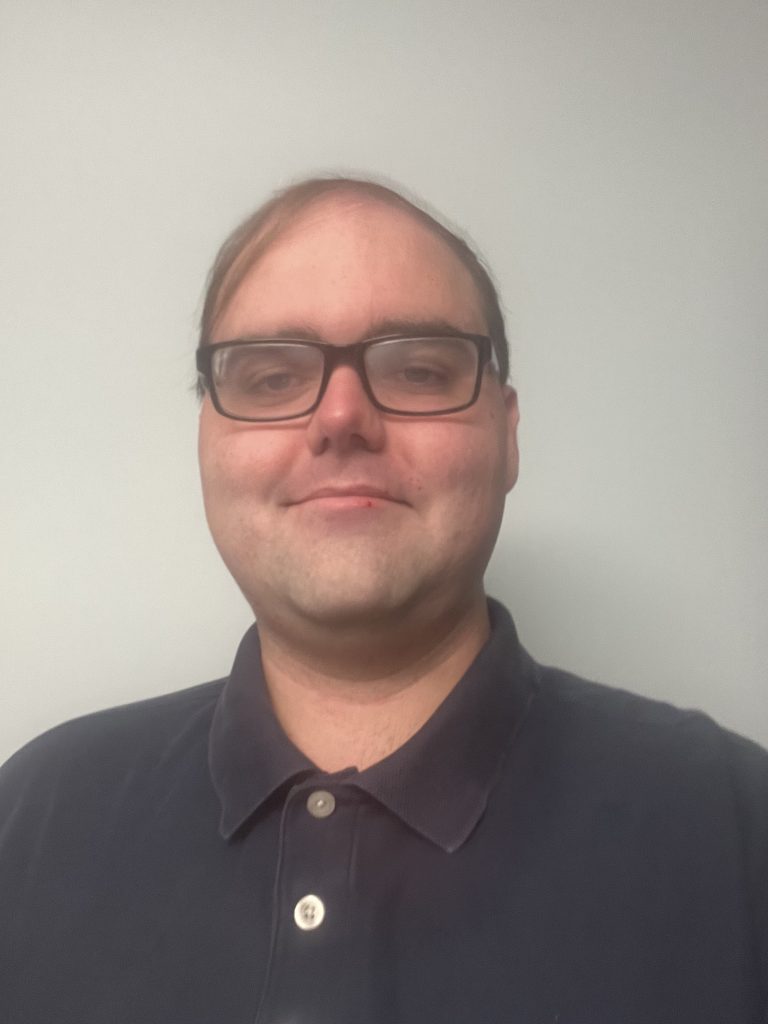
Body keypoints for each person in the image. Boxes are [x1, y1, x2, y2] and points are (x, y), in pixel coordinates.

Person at [1, 177, 766, 1024]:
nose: (341, 416)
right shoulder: (31, 818)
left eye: (419, 368)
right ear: (207, 444)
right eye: (268, 377)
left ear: (507, 436)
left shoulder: (736, 826)